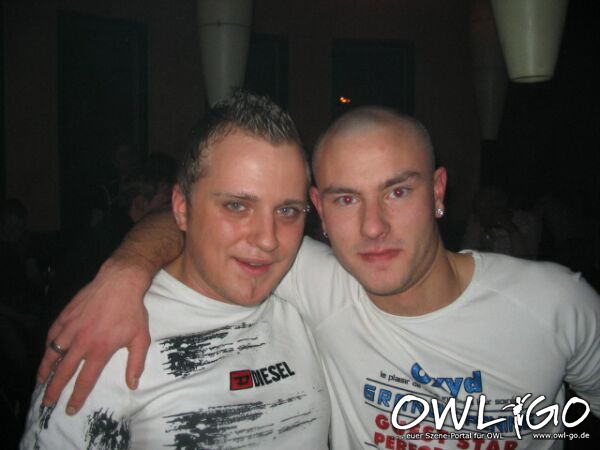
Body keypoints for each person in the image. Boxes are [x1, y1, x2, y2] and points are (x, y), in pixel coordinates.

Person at [35, 106, 600, 449]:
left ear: (438, 191)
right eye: (346, 198)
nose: (374, 227)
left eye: (398, 191)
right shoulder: (307, 279)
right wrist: (125, 271)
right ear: (322, 212)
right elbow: (188, 220)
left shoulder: (557, 305)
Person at [21, 92, 330, 449]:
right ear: (182, 207)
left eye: (287, 211)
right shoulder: (108, 336)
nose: (267, 239)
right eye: (236, 206)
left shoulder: (310, 302)